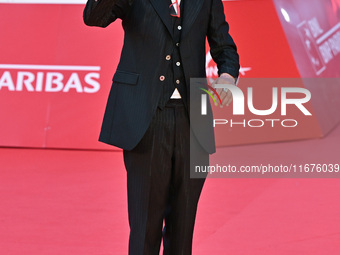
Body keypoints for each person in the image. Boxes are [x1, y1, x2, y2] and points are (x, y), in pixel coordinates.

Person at [83, 0, 239, 254]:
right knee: (146, 226)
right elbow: (94, 18)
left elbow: (225, 47)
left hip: (193, 120)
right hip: (145, 118)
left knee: (183, 225)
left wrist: (227, 76)